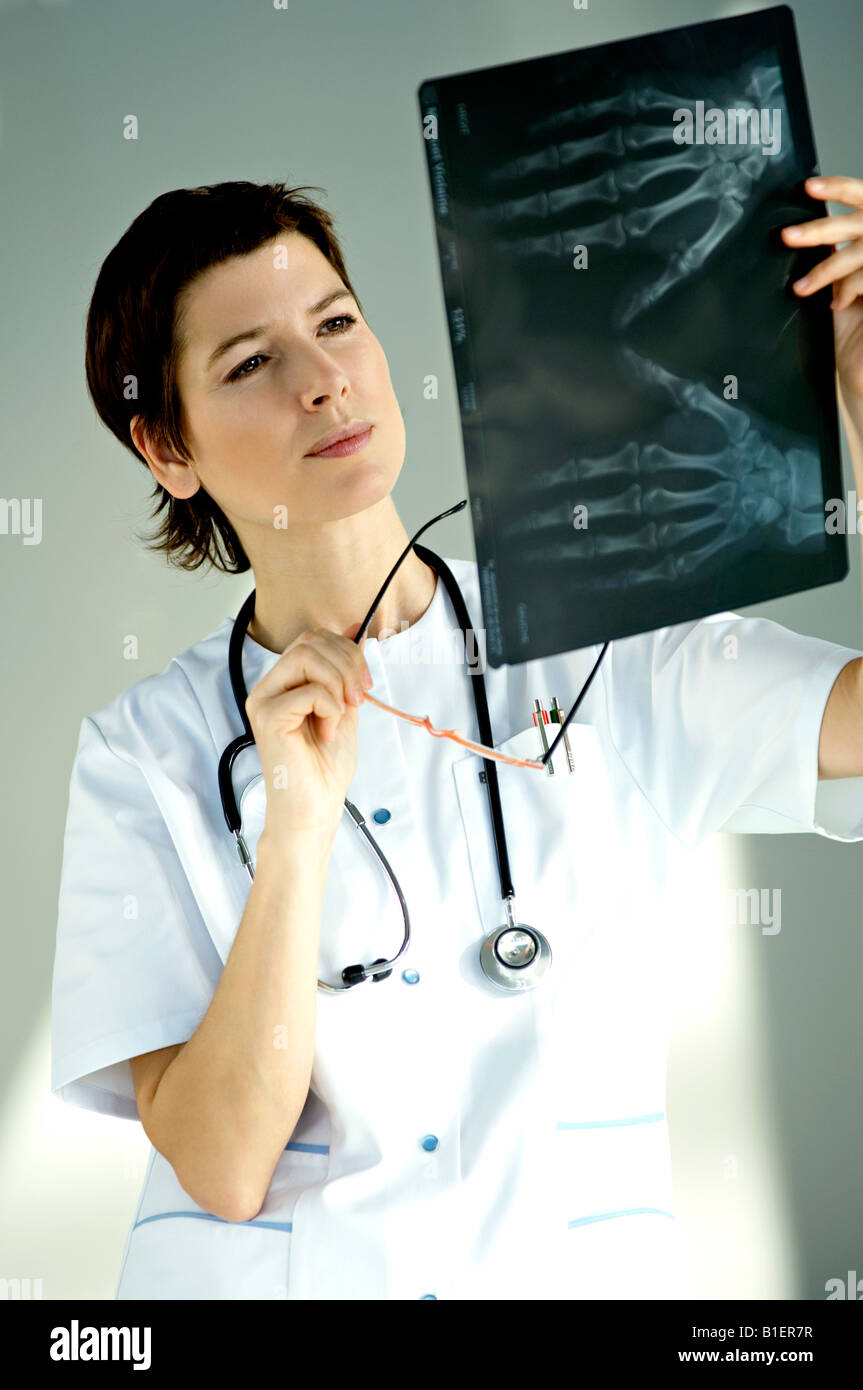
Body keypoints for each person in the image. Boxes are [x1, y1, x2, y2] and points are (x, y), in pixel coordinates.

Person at [51, 178, 863, 1301]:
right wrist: (294, 825)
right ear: (167, 447)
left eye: (335, 323)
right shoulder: (145, 752)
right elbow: (223, 1164)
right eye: (250, 363)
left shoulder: (597, 642)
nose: (323, 379)